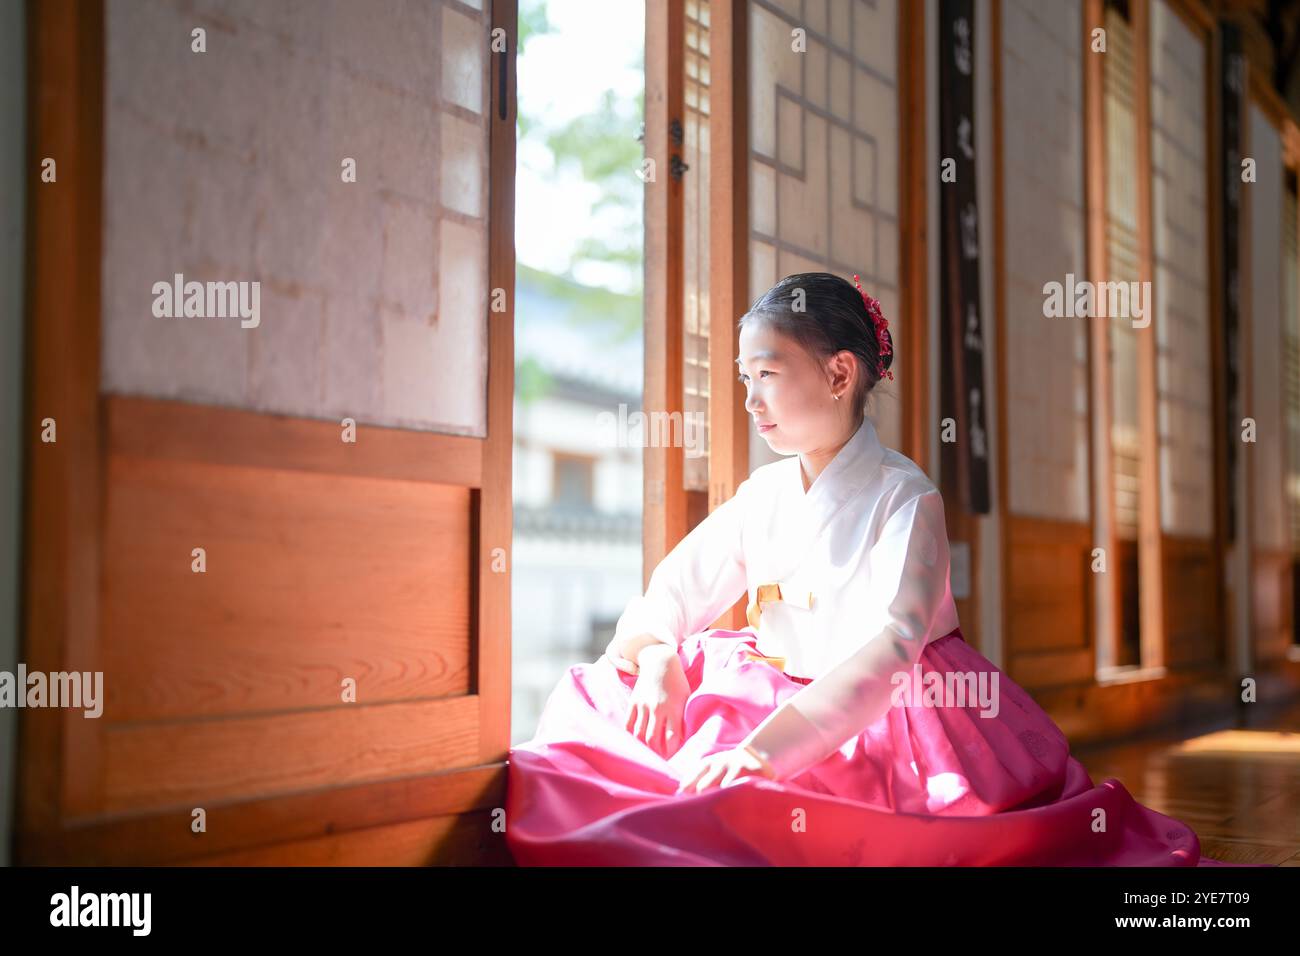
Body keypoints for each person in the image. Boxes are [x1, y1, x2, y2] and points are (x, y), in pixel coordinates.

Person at [505, 272, 1234, 866]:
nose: (750, 399)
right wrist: (659, 654)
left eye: (765, 374)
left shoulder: (905, 496)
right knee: (601, 709)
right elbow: (677, 587)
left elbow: (891, 649)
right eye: (743, 378)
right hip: (770, 683)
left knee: (782, 817)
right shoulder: (763, 493)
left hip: (890, 706)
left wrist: (765, 752)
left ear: (839, 373)